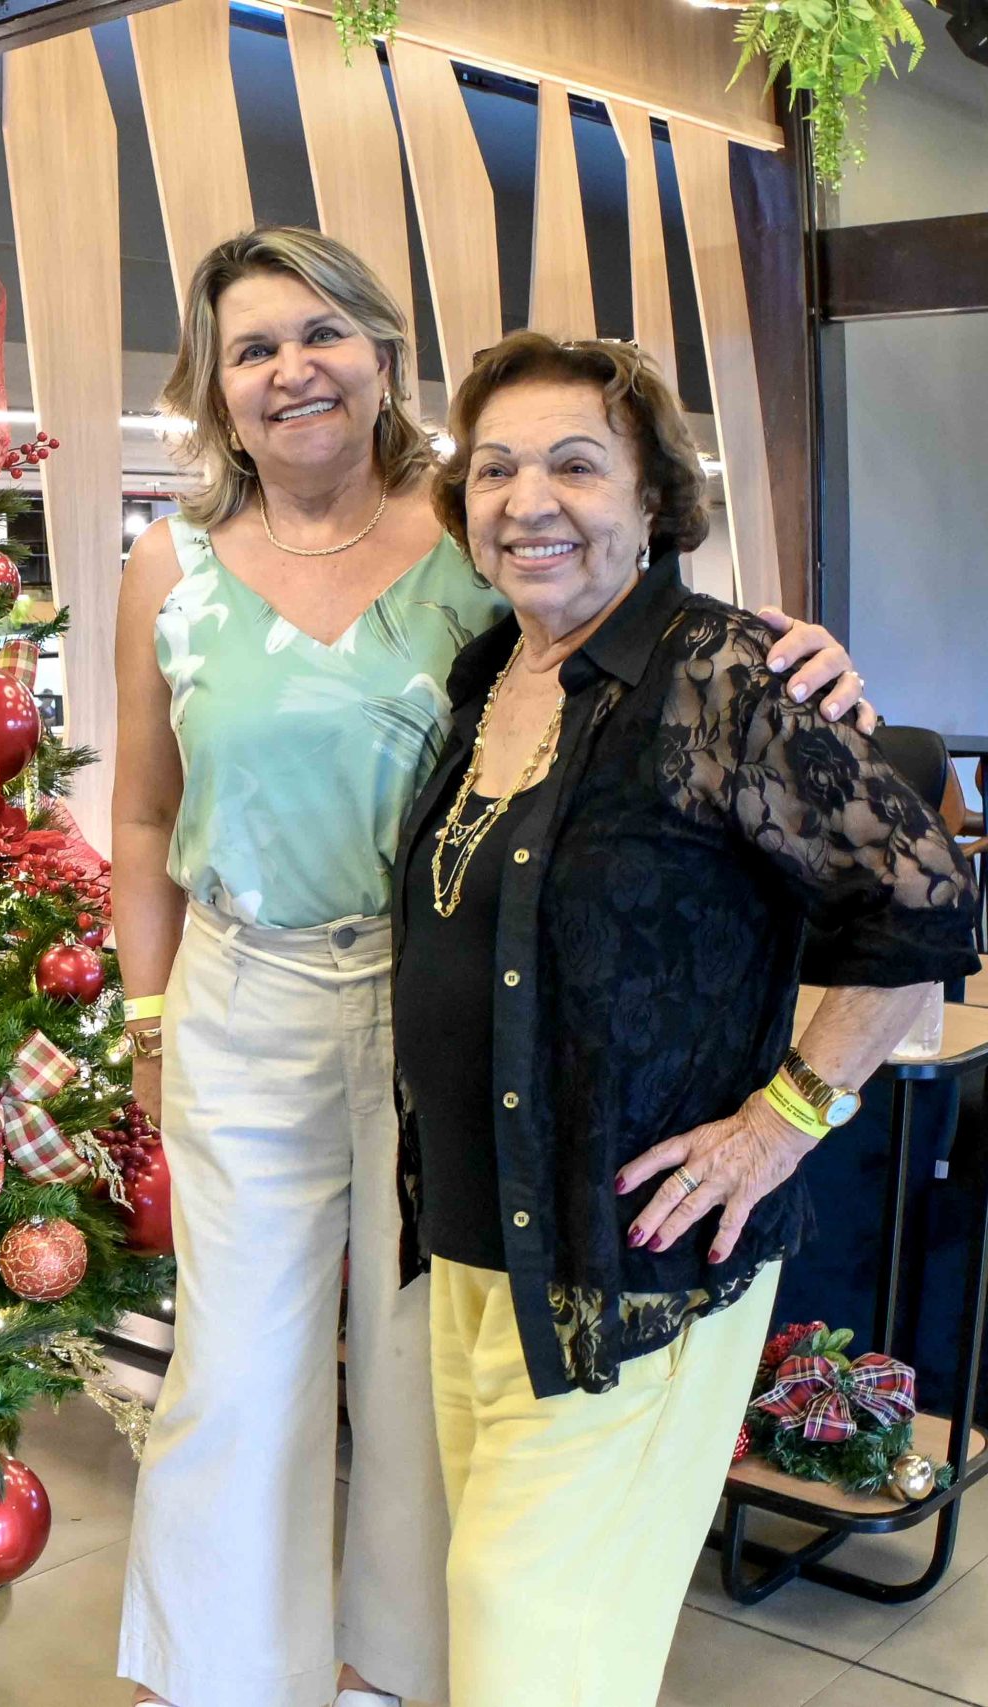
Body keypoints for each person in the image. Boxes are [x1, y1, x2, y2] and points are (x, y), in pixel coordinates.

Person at [108, 227, 870, 1707]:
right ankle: (211, 1675)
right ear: (216, 385)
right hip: (243, 994)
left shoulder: (470, 536)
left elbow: (642, 637)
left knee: (421, 1363)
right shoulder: (170, 563)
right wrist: (147, 1015)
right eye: (253, 348)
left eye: (322, 333)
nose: (292, 369)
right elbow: (144, 814)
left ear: (382, 355)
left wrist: (810, 661)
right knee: (235, 1364)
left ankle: (397, 1671)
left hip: (443, 1003)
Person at [396, 332, 975, 1706]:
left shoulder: (724, 673)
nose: (528, 500)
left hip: (630, 1257)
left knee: (524, 1639)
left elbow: (925, 906)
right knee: (526, 1622)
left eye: (575, 465)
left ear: (654, 497)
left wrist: (784, 1122)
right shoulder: (490, 672)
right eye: (496, 469)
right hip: (479, 1236)